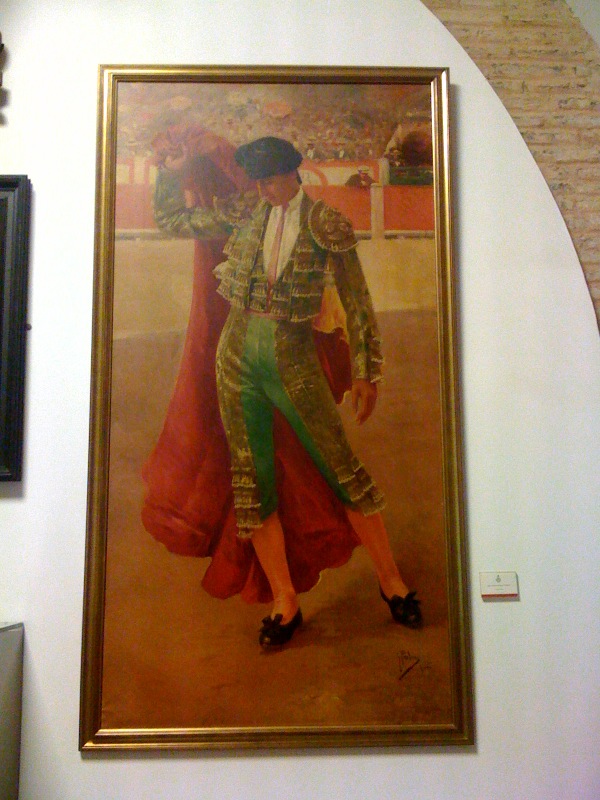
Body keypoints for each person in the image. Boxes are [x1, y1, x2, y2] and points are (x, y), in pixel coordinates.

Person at [151, 135, 421, 647]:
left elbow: (357, 301)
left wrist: (366, 371)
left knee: (341, 467)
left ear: (293, 174)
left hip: (293, 358)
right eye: (259, 182)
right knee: (252, 481)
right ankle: (285, 600)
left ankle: (391, 581)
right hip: (236, 357)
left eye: (272, 181)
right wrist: (170, 172)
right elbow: (172, 221)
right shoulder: (244, 212)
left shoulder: (325, 224)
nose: (265, 191)